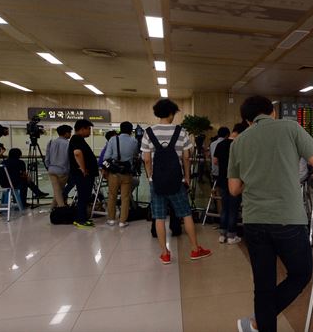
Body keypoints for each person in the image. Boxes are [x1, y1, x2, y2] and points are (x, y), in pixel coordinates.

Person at [229, 96, 313, 332]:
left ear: (246, 120)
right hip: (288, 219)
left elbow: (234, 189)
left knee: (263, 285)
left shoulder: (239, 142)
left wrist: (254, 172)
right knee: (301, 272)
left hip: (254, 221)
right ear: (272, 111)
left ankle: (260, 321)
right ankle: (259, 319)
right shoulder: (291, 128)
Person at [141, 99, 211, 264]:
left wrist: (150, 177)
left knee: (158, 216)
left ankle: (165, 253)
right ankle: (195, 249)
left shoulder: (148, 132)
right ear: (171, 113)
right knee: (186, 214)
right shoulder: (181, 132)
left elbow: (146, 159)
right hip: (176, 181)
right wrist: (186, 176)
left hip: (156, 182)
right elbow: (186, 157)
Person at [213, 122, 248, 244]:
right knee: (233, 208)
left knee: (225, 207)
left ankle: (222, 235)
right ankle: (232, 235)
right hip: (235, 180)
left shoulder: (220, 144)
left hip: (222, 179)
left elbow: (215, 161)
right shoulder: (239, 145)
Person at [104, 122, 139, 227]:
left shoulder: (113, 139)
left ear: (120, 129)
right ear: (131, 130)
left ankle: (111, 219)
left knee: (112, 196)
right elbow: (135, 155)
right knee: (125, 197)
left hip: (114, 173)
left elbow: (106, 156)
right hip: (127, 173)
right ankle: (122, 221)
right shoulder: (134, 141)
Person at [68, 119, 98, 229]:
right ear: (82, 129)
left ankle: (83, 218)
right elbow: (77, 153)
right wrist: (83, 169)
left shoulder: (79, 139)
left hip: (83, 175)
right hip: (82, 175)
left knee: (84, 197)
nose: (90, 131)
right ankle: (80, 220)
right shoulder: (77, 138)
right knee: (83, 196)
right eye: (88, 129)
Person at [45, 124, 72, 207]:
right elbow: (69, 158)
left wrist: (48, 166)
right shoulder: (68, 144)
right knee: (59, 190)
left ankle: (52, 207)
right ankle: (61, 207)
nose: (70, 134)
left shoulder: (51, 143)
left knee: (57, 190)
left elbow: (47, 157)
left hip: (52, 169)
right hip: (62, 170)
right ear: (66, 133)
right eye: (70, 132)